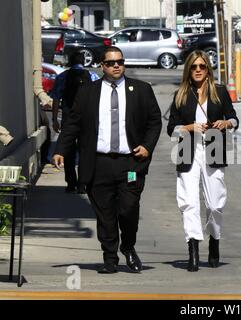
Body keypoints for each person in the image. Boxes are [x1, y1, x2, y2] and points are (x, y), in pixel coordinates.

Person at [53, 46, 162, 274]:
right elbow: (73, 123)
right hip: (98, 163)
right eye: (111, 62)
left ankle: (128, 246)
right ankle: (110, 258)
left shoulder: (140, 90)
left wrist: (147, 146)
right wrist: (61, 149)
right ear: (102, 65)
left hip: (130, 164)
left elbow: (154, 121)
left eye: (120, 62)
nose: (116, 66)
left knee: (128, 208)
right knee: (105, 214)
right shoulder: (88, 93)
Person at [167, 50, 239, 272]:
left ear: (208, 69)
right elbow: (171, 129)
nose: (198, 70)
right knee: (189, 202)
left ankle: (214, 240)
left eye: (202, 66)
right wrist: (188, 127)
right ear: (188, 70)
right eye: (194, 67)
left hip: (214, 148)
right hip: (188, 151)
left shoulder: (218, 92)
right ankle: (193, 251)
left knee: (215, 203)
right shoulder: (181, 94)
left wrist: (226, 124)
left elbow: (234, 117)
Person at [51, 51, 100, 193]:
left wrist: (54, 120)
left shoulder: (62, 77)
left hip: (69, 119)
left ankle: (70, 183)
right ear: (83, 62)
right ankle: (83, 184)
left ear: (70, 62)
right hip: (88, 120)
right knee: (85, 152)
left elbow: (55, 99)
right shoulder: (92, 76)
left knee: (69, 152)